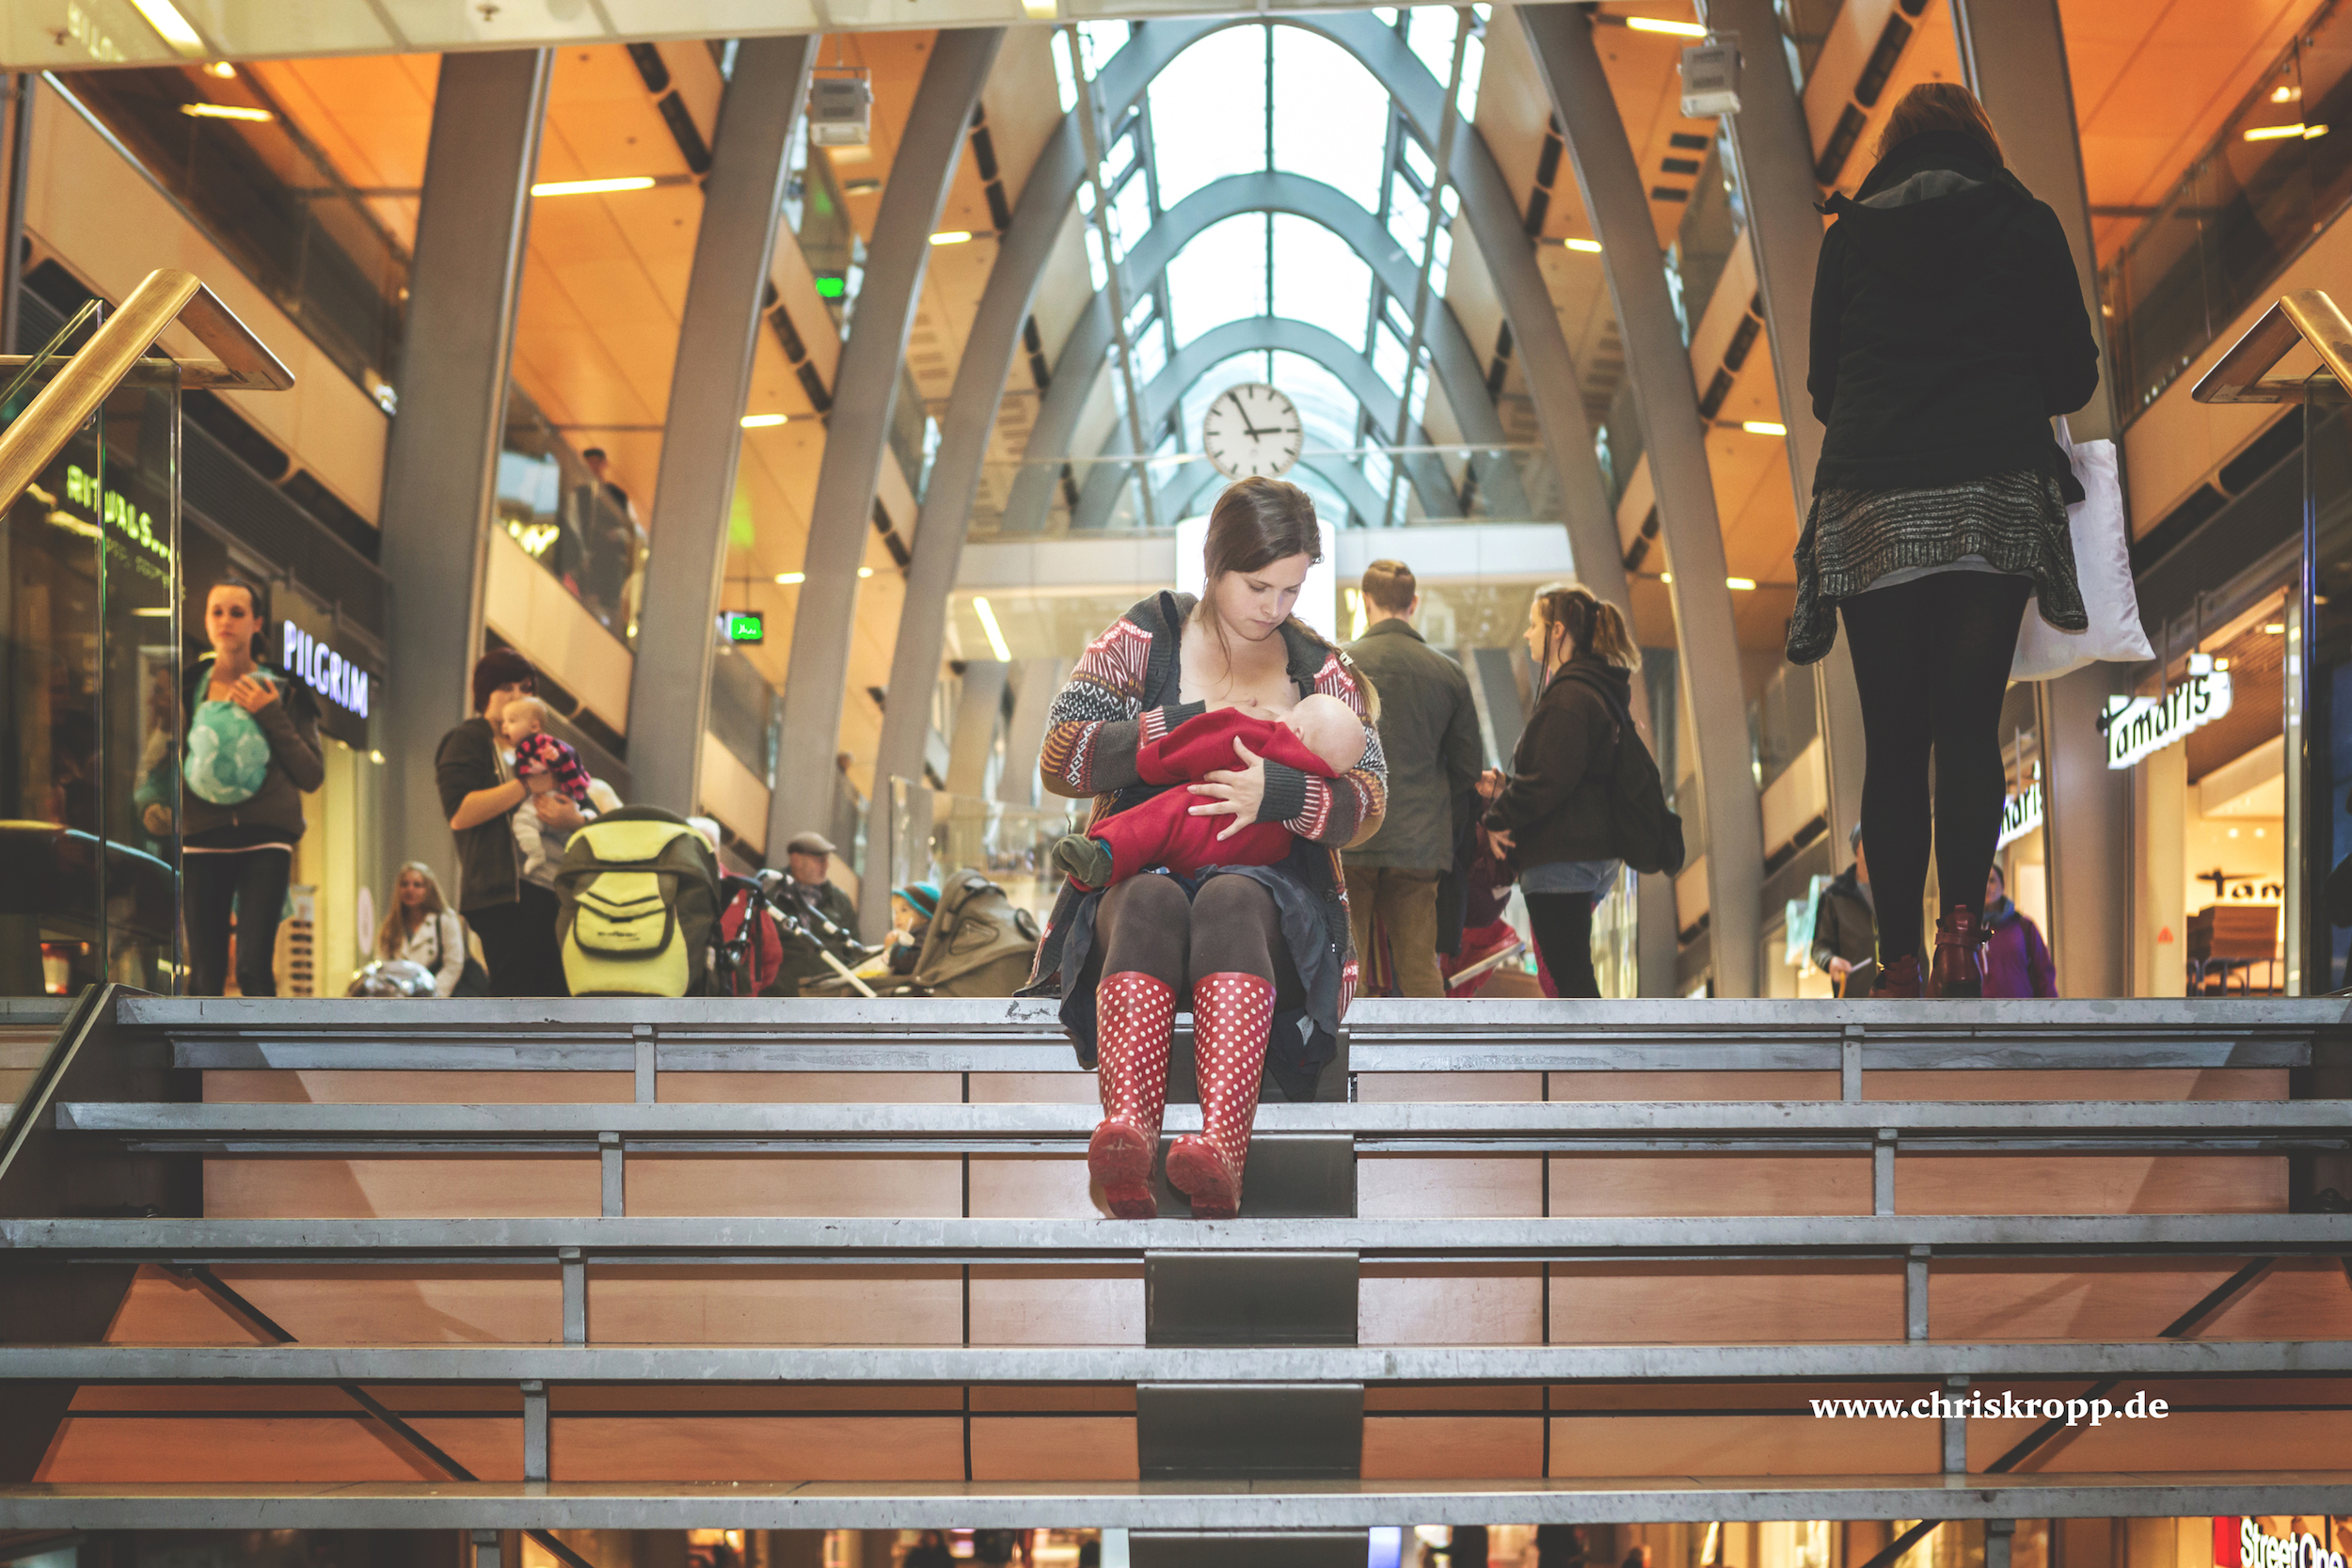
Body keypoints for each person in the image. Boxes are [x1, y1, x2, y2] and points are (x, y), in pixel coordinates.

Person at [1787, 82, 2100, 997]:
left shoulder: (1848, 237)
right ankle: (1962, 938)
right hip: (1988, 493)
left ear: (1892, 149)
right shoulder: (2025, 221)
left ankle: (1897, 961)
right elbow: (2073, 375)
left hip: (1871, 501)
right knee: (1967, 725)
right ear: (1979, 140)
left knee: (1892, 738)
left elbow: (1822, 389)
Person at [1025, 476, 1387, 1220]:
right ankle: (1127, 1134)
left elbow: (1372, 797)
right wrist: (1181, 726)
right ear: (1214, 563)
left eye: (1292, 589)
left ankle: (1222, 1149)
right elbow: (1061, 754)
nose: (1274, 607)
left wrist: (1280, 795)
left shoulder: (1320, 668)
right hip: (1141, 885)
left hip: (1263, 909)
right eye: (1258, 586)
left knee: (1231, 898)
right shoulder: (1143, 635)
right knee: (1149, 897)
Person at [1480, 584, 1642, 1001]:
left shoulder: (1568, 696)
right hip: (1591, 852)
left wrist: (1497, 818)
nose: (1527, 634)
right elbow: (1571, 777)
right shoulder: (1593, 689)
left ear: (1557, 631)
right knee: (1563, 982)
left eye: (1534, 625)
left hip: (1563, 858)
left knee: (1567, 986)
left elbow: (1549, 781)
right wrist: (1508, 789)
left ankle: (1596, 1048)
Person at [1048, 695, 1367, 890]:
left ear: (1297, 731)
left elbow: (1202, 745)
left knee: (1161, 816)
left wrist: (1154, 764)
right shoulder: (1320, 780)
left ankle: (1105, 855)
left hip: (1201, 830)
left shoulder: (1257, 732)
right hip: (1256, 869)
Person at [1343, 559, 1482, 998]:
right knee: (1420, 967)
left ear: (1365, 601)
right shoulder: (1448, 673)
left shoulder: (1342, 665)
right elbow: (1468, 768)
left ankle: (1349, 1043)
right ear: (1413, 603)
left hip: (1353, 832)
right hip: (1420, 843)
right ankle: (1433, 1046)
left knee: (1350, 966)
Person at [181, 578, 324, 997]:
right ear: (206, 621)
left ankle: (262, 1044)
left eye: (237, 612)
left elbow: (312, 775)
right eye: (217, 612)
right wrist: (154, 806)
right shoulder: (185, 686)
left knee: (254, 968)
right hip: (201, 836)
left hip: (266, 838)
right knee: (204, 974)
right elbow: (163, 757)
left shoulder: (287, 689)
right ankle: (197, 1046)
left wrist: (270, 713)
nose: (225, 621)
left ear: (257, 623)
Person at [437, 647, 581, 996]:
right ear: (485, 693)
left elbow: (581, 798)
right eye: (506, 687)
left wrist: (573, 819)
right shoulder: (469, 739)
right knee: (519, 996)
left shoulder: (544, 747)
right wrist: (526, 785)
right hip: (505, 893)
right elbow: (460, 812)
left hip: (552, 890)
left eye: (526, 688)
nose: (518, 695)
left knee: (556, 996)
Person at [501, 696, 621, 886]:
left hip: (562, 883)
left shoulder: (594, 789)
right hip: (520, 879)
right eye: (503, 721)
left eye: (512, 720)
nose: (505, 727)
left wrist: (576, 820)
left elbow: (617, 838)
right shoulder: (509, 770)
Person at [773, 830, 862, 994]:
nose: (826, 866)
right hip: (781, 997)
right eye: (820, 860)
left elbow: (854, 955)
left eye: (827, 859)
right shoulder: (771, 896)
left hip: (828, 997)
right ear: (796, 860)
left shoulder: (839, 900)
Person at [374, 862, 476, 998]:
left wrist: (432, 995)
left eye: (417, 885)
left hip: (437, 998)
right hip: (400, 1000)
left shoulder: (445, 920)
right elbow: (382, 967)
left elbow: (453, 964)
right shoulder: (390, 925)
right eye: (404, 884)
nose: (410, 889)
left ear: (429, 889)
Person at [1811, 827, 1878, 997]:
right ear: (1856, 848)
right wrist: (1830, 961)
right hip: (1855, 1000)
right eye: (1867, 838)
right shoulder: (1834, 896)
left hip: (1899, 1000)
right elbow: (1819, 947)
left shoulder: (1898, 892)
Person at [1980, 862, 2058, 997]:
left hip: (2023, 1007)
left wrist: (2051, 1007)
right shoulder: (1971, 931)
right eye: (1982, 882)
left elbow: (2044, 973)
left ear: (2002, 885)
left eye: (1992, 881)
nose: (1987, 887)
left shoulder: (2024, 927)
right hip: (1982, 1009)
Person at [884, 880, 940, 976]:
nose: (897, 917)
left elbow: (916, 961)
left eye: (904, 910)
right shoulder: (912, 933)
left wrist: (893, 948)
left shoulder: (926, 933)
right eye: (896, 912)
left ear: (924, 915)